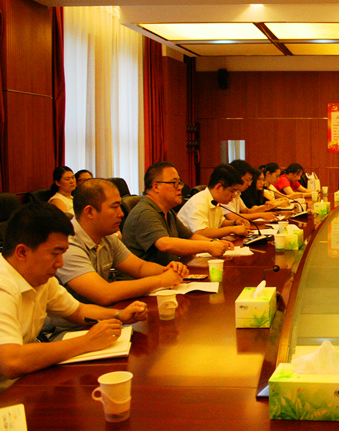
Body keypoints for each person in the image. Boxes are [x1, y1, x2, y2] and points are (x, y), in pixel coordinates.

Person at [0, 203, 147, 382]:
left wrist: (119, 315)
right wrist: (87, 342)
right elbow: (11, 361)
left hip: (24, 379)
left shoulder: (40, 279)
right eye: (55, 253)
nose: (60, 263)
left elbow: (78, 311)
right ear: (22, 252)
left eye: (63, 253)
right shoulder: (3, 286)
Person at [57, 179, 189, 306]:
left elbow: (140, 267)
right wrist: (161, 280)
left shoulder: (107, 237)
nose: (121, 214)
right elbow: (104, 293)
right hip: (76, 321)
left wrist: (169, 270)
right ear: (90, 212)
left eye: (120, 206)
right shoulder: (67, 245)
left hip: (104, 314)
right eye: (114, 207)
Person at [122, 162, 230, 266]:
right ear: (156, 187)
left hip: (167, 272)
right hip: (147, 277)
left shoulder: (168, 211)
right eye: (174, 183)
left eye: (179, 183)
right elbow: (165, 244)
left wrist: (214, 243)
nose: (180, 187)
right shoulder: (145, 212)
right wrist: (208, 246)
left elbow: (189, 236)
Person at [177, 164, 250, 239]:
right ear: (218, 187)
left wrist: (235, 223)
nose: (234, 195)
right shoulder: (199, 202)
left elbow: (220, 223)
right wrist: (232, 229)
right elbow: (200, 233)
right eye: (232, 191)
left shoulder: (215, 201)